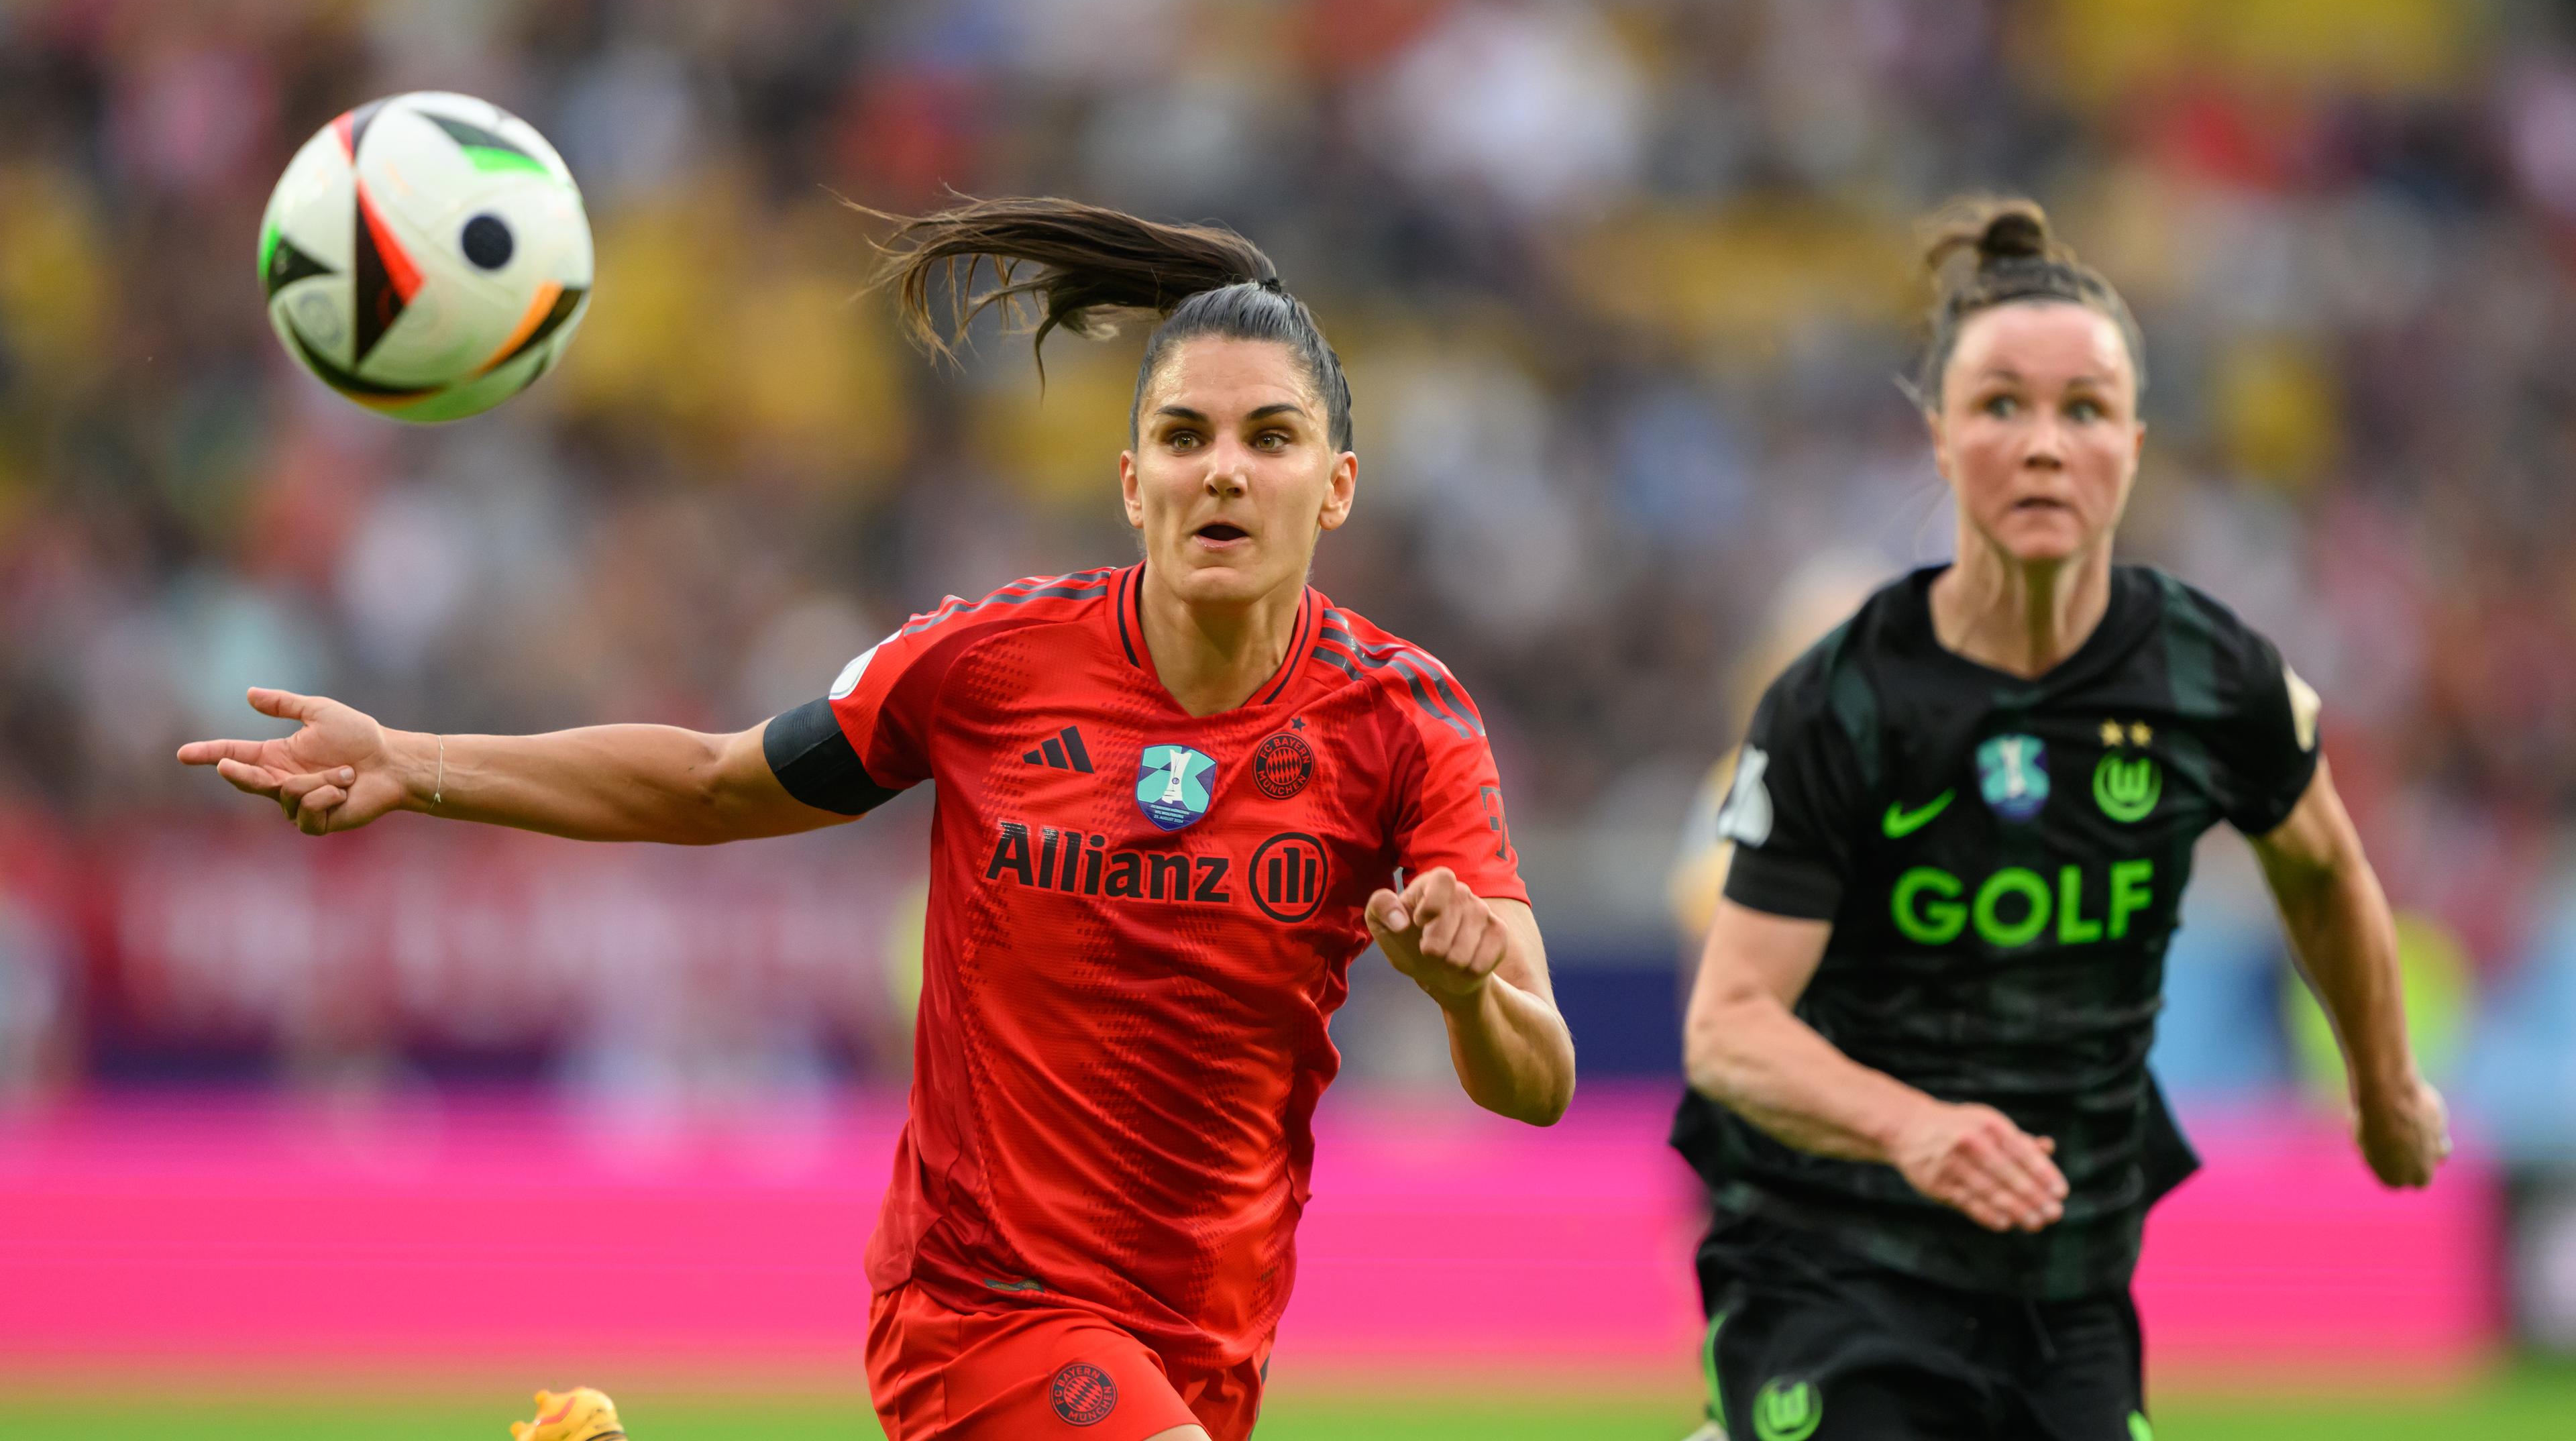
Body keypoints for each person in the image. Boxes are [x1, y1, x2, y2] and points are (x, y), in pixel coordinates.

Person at [178, 195, 1576, 1441]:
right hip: (982, 1308)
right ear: (1130, 479)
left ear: (1334, 486)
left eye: (1271, 438)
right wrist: (413, 759)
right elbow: (718, 783)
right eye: (1184, 435)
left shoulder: (1405, 719)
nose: (1224, 470)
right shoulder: (988, 666)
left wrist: (1466, 998)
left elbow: (1540, 1078)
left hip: (1209, 1334)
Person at [1669, 199, 2449, 1441]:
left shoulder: (2212, 676)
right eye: (1999, 407)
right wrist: (1909, 1126)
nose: (2044, 445)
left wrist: (2384, 1084)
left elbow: (2324, 869)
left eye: (2083, 410)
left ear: (2135, 445)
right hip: (1835, 1262)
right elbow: (1729, 1027)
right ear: (1937, 439)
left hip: (2068, 1291)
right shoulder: (1841, 701)